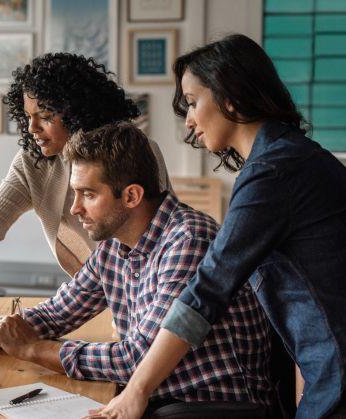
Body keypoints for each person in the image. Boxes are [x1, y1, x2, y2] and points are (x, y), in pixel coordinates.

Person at [0, 122, 275, 411]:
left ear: (131, 196)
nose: (75, 208)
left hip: (214, 404)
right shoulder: (115, 244)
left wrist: (33, 351)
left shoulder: (188, 240)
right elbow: (55, 314)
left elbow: (135, 359)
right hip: (161, 397)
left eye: (88, 194)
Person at [90, 34, 346, 419]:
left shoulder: (272, 172)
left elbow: (207, 289)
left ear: (230, 97)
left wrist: (137, 389)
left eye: (194, 102)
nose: (190, 122)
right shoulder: (292, 157)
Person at [0, 53, 171, 317]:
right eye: (28, 116)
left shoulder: (132, 153)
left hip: (144, 292)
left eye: (46, 116)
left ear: (79, 112)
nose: (32, 128)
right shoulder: (34, 161)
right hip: (89, 294)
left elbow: (153, 241)